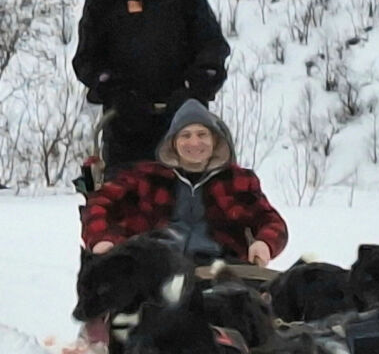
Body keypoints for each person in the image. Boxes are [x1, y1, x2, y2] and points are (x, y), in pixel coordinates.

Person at [72, 0, 231, 178]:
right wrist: (114, 89)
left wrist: (196, 87)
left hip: (184, 119)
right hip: (125, 120)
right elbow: (87, 58)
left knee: (191, 197)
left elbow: (211, 44)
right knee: (129, 200)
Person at [81, 100, 287, 266]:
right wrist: (102, 239)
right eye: (186, 136)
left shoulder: (238, 180)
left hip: (220, 267)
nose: (194, 143)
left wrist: (264, 244)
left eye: (202, 135)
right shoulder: (146, 177)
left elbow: (271, 221)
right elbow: (99, 203)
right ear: (173, 142)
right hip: (155, 267)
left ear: (215, 140)